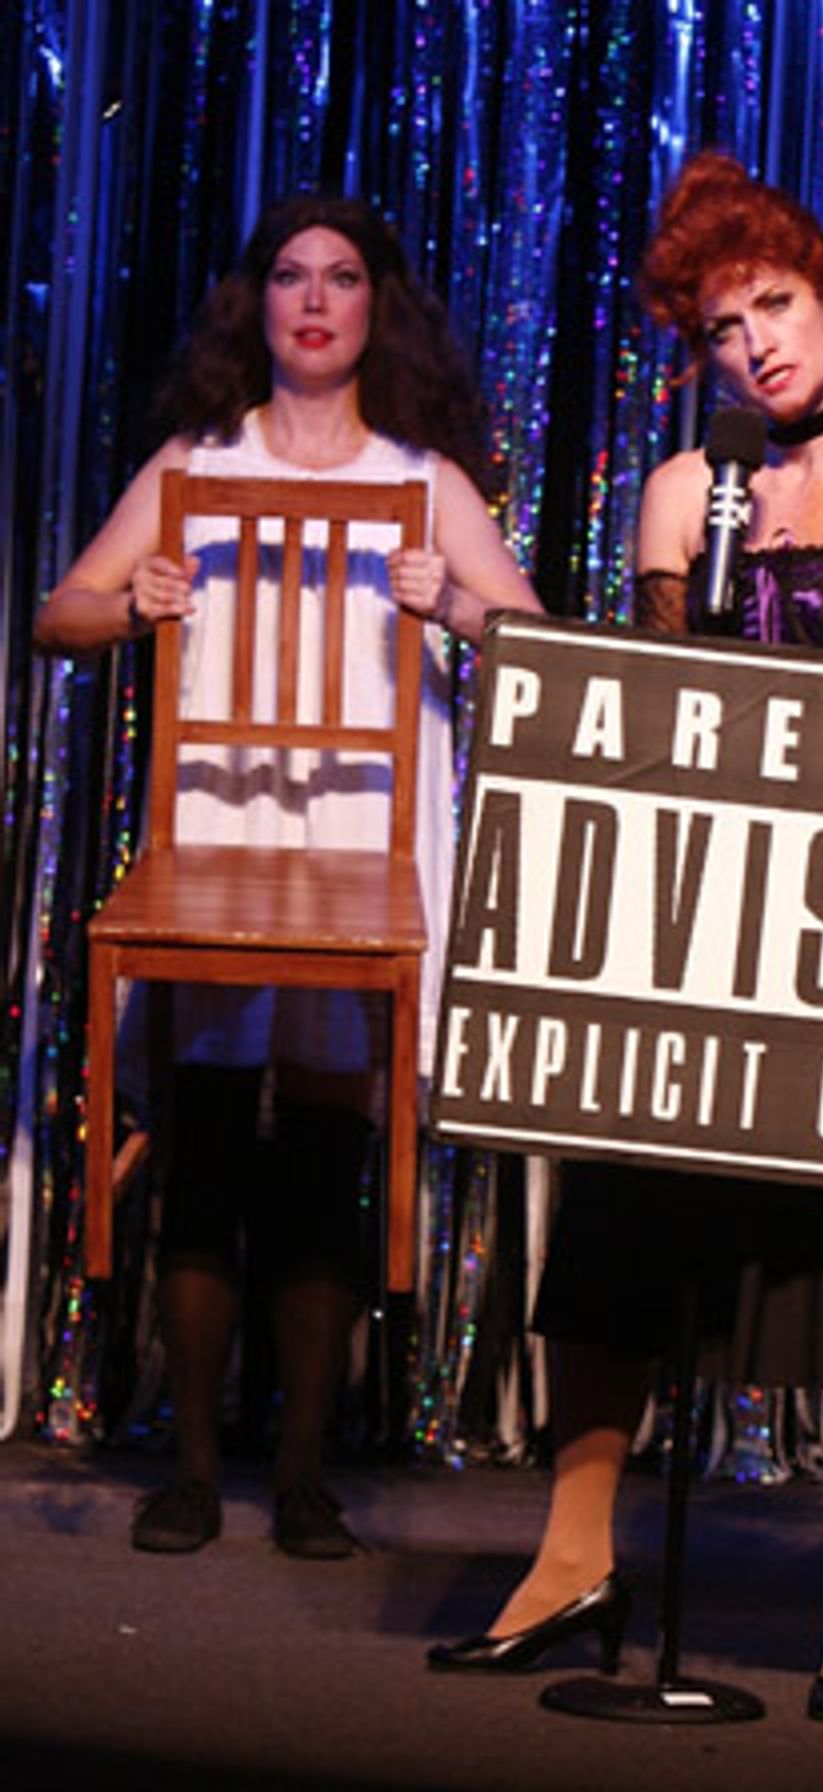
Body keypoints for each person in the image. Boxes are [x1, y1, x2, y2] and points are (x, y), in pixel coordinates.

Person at [425, 151, 823, 1721]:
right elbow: (658, 716)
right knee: (623, 1204)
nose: (754, 343)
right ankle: (573, 1557)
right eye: (719, 327)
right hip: (715, 921)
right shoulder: (682, 493)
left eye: (773, 305)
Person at [35, 193, 542, 1558]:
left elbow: (537, 641)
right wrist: (129, 601)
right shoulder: (198, 462)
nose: (315, 301)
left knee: (323, 1152)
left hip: (363, 844)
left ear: (380, 304)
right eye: (291, 276)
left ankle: (306, 1472)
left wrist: (453, 604)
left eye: (343, 277)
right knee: (205, 1141)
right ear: (255, 302)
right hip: (221, 830)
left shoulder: (423, 479)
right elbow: (60, 612)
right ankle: (196, 1468)